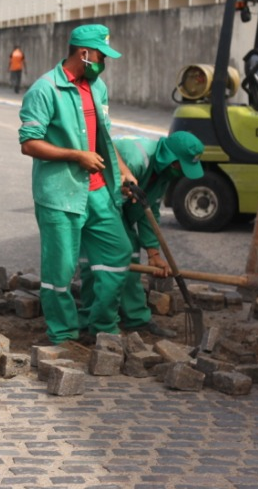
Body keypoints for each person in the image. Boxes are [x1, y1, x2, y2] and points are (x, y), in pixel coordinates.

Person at [18, 24, 138, 345]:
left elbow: (104, 139)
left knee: (118, 252)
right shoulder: (45, 90)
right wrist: (76, 156)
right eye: (101, 55)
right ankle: (63, 336)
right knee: (60, 273)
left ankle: (101, 324)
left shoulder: (98, 88)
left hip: (98, 190)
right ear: (84, 54)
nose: (104, 62)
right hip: (60, 195)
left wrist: (123, 171)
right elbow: (29, 143)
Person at [111, 132, 206, 337]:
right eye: (182, 166)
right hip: (104, 202)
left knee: (131, 253)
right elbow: (109, 197)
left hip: (121, 207)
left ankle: (135, 319)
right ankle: (101, 321)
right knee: (117, 252)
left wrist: (154, 254)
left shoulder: (163, 173)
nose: (182, 174)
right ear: (171, 160)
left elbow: (149, 209)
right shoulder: (137, 160)